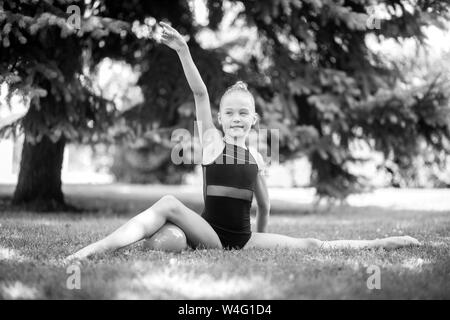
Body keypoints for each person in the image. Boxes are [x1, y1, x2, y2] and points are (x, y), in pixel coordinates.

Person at [65, 22, 419, 261]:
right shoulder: (213, 144)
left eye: (242, 114)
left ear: (253, 120)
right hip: (213, 234)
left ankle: (383, 242)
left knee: (311, 244)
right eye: (229, 113)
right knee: (170, 201)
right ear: (220, 119)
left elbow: (264, 206)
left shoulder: (255, 157)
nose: (236, 118)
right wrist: (184, 51)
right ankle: (92, 250)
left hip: (244, 239)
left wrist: (259, 245)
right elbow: (201, 93)